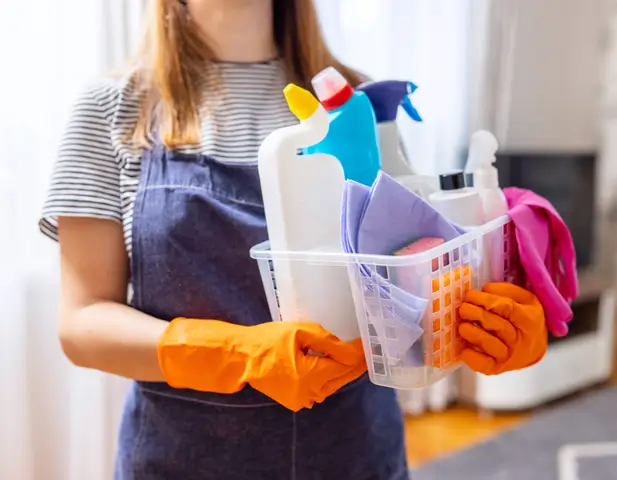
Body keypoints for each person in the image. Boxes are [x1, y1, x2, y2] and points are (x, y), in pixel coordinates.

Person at [40, 0, 548, 479]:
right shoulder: (112, 110)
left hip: (355, 453)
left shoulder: (360, 105)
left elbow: (404, 269)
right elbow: (83, 322)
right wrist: (237, 354)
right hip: (179, 460)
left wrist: (480, 321)